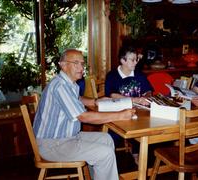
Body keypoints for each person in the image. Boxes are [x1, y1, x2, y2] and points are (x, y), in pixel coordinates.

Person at [33, 49, 135, 180]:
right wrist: (120, 115)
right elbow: (84, 116)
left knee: (106, 139)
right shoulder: (60, 86)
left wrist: (95, 101)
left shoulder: (68, 83)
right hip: (53, 144)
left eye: (82, 63)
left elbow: (77, 98)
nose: (81, 67)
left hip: (66, 137)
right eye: (76, 63)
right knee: (105, 153)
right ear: (63, 65)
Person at [105, 46, 153, 164]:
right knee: (113, 136)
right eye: (132, 59)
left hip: (138, 113)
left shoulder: (139, 75)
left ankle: (137, 154)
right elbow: (112, 95)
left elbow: (148, 91)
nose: (136, 62)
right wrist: (135, 100)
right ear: (123, 60)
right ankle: (108, 159)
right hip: (118, 115)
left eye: (136, 59)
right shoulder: (112, 76)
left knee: (142, 129)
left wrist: (146, 97)